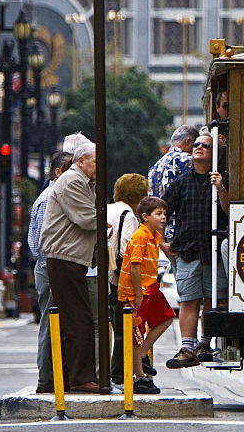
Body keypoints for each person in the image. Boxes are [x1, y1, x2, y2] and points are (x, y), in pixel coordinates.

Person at [162, 131, 229, 369]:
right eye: (197, 145)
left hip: (212, 250)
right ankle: (187, 347)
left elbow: (229, 210)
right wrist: (161, 241)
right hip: (188, 250)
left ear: (215, 155)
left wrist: (221, 187)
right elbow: (162, 210)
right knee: (189, 300)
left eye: (206, 146)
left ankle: (205, 344)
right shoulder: (181, 182)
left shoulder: (222, 180)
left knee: (212, 298)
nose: (199, 148)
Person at [40, 142, 101, 393]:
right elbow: (88, 219)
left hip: (71, 257)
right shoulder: (73, 181)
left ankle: (70, 375)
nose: (99, 167)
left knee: (75, 318)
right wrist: (104, 222)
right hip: (64, 256)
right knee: (78, 319)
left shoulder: (82, 182)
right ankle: (80, 377)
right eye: (96, 162)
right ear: (82, 160)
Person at [117, 196, 176, 394]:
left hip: (150, 286)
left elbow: (161, 243)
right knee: (136, 333)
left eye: (164, 213)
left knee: (166, 317)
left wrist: (167, 248)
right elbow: (134, 267)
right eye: (158, 214)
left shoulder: (153, 234)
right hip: (136, 292)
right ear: (145, 217)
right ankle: (140, 376)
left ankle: (142, 355)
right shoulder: (140, 236)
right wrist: (137, 295)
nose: (163, 218)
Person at [29, 151, 74, 394]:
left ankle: (57, 375)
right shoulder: (49, 199)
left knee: (59, 321)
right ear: (58, 172)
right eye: (69, 169)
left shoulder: (60, 195)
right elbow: (38, 244)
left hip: (57, 267)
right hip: (50, 268)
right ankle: (47, 378)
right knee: (51, 321)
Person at [106, 173, 151, 386]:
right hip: (119, 281)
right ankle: (119, 372)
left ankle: (110, 371)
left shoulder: (108, 209)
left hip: (101, 275)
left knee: (108, 327)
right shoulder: (129, 216)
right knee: (125, 328)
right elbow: (128, 252)